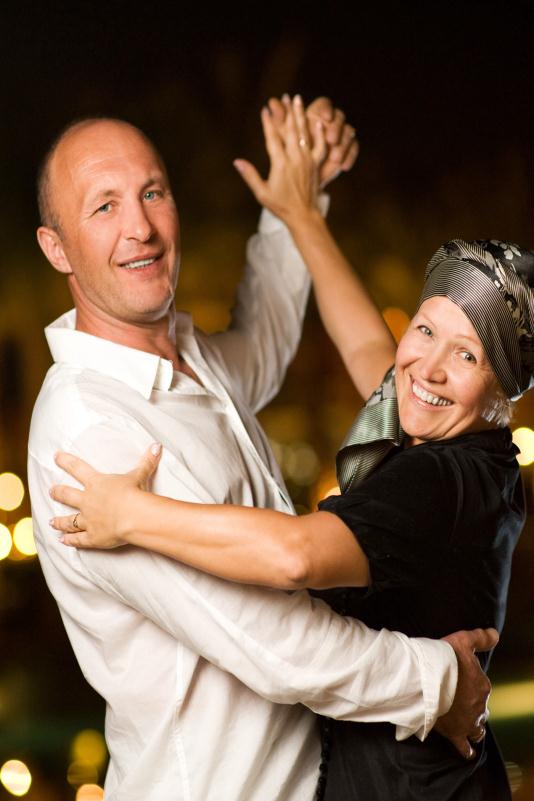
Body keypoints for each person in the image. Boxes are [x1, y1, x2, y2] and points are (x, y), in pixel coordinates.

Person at [49, 98, 530, 800]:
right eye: (424, 331)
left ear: (502, 389)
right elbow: (365, 347)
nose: (427, 369)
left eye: (468, 354)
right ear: (55, 246)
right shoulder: (89, 424)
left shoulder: (441, 475)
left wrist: (131, 515)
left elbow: (294, 555)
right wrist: (299, 213)